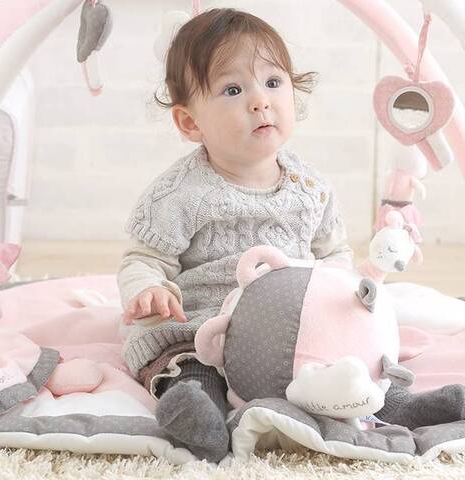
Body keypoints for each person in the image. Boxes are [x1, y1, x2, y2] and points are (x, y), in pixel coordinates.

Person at [118, 8, 353, 462]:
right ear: (190, 122)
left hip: (288, 331)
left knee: (345, 360)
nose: (260, 101)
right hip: (204, 327)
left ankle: (391, 402)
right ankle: (195, 410)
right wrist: (148, 289)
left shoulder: (311, 188)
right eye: (233, 89)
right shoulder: (180, 194)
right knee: (190, 365)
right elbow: (143, 258)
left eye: (273, 82)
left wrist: (340, 297)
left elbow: (334, 255)